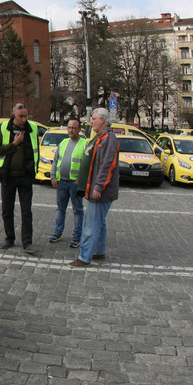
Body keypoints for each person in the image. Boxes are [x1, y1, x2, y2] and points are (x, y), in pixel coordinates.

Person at [69, 108, 119, 267]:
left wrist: (98, 187)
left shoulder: (108, 139)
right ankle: (98, 251)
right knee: (99, 222)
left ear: (102, 120)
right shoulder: (101, 137)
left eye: (94, 118)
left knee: (91, 224)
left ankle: (84, 257)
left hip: (99, 190)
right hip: (95, 188)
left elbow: (106, 166)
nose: (91, 121)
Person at [0, 103, 39, 254]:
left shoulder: (32, 129)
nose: (24, 119)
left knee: (26, 212)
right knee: (7, 210)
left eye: (26, 116)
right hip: (8, 176)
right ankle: (9, 238)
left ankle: (27, 242)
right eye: (21, 116)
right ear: (13, 115)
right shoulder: (4, 128)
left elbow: (35, 151)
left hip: (25, 176)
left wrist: (33, 170)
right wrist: (14, 144)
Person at [49, 118, 87, 248]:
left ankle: (76, 237)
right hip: (62, 182)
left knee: (78, 211)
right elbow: (55, 161)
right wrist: (53, 177)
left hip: (75, 184)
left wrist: (81, 180)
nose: (71, 130)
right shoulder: (63, 142)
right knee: (60, 209)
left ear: (79, 130)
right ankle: (57, 233)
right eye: (69, 127)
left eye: (74, 128)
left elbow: (87, 165)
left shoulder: (85, 144)